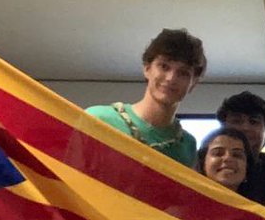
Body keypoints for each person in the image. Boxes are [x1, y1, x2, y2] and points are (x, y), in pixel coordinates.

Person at [86, 28, 205, 166]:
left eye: (183, 73)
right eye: (164, 66)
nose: (171, 78)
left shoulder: (187, 145)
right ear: (147, 69)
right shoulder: (99, 119)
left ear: (193, 83)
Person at [216, 90, 265, 155]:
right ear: (222, 130)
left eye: (253, 122)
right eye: (236, 121)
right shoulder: (210, 160)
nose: (245, 128)